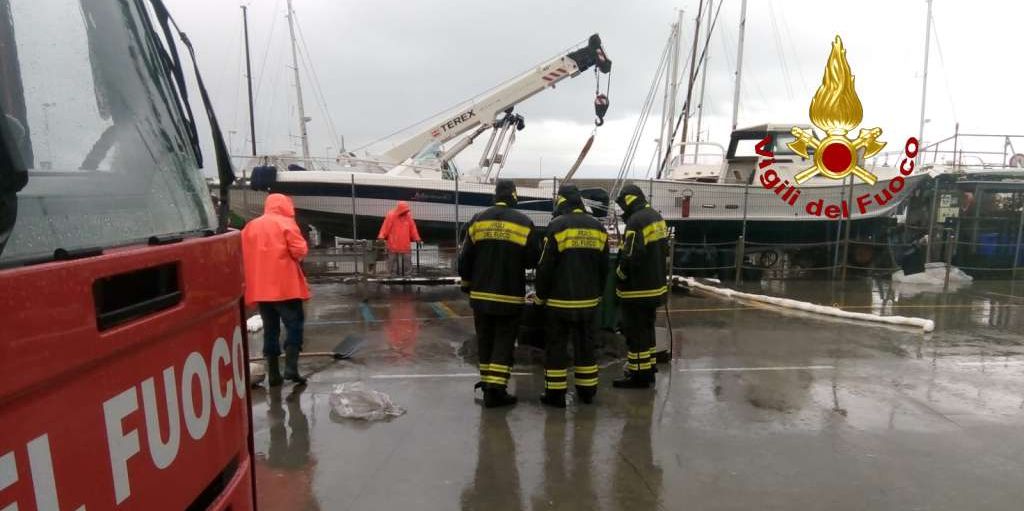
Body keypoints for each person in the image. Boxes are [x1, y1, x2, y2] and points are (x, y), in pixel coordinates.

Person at [458, 180, 538, 408]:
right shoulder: (524, 223)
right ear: (514, 196)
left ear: (495, 195)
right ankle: (496, 390)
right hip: (509, 295)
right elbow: (532, 259)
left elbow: (465, 258)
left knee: (485, 340)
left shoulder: (477, 220)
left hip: (480, 295)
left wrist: (467, 284)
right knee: (503, 341)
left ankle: (487, 384)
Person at [534, 184, 609, 408]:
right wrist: (598, 294)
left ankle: (555, 395)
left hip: (559, 302)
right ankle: (587, 392)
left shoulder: (557, 226)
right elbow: (604, 267)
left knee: (556, 348)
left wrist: (540, 297)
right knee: (586, 347)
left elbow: (545, 266)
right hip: (588, 301)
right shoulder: (598, 228)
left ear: (562, 202)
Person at [242, 193, 311, 386]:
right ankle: (291, 368)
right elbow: (299, 251)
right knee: (294, 325)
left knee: (270, 330)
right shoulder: (286, 224)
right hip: (285, 287)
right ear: (286, 206)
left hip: (261, 289)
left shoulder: (250, 227)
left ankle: (273, 374)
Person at [612, 184, 668, 389]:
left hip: (637, 289)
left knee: (635, 333)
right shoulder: (655, 216)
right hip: (655, 287)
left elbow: (630, 255)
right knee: (647, 330)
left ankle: (638, 375)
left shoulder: (636, 221)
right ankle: (648, 368)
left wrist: (619, 275)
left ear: (628, 200)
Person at [377, 201, 421, 276]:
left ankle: (407, 275)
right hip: (393, 244)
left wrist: (417, 238)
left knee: (407, 262)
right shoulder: (391, 215)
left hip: (404, 245)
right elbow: (385, 227)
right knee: (392, 262)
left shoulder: (408, 216)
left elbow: (413, 229)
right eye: (404, 211)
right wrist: (381, 236)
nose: (405, 212)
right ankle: (392, 275)